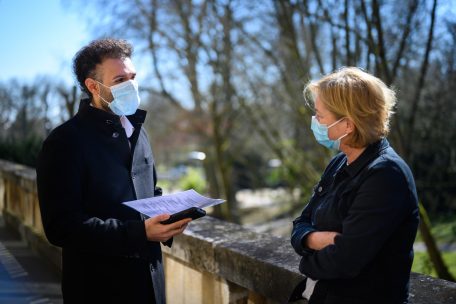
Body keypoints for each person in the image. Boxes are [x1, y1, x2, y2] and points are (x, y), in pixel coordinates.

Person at [36, 38, 191, 304]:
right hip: (98, 290)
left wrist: (169, 215)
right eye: (120, 80)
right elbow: (61, 227)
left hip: (151, 287)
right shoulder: (64, 142)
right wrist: (139, 233)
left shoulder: (139, 133)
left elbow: (149, 190)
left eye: (133, 76)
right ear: (93, 86)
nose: (131, 85)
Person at [290, 67, 419, 304]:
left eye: (320, 116)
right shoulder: (340, 162)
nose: (315, 122)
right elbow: (301, 222)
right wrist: (315, 239)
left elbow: (347, 259)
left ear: (347, 125)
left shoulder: (386, 175)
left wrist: (306, 262)